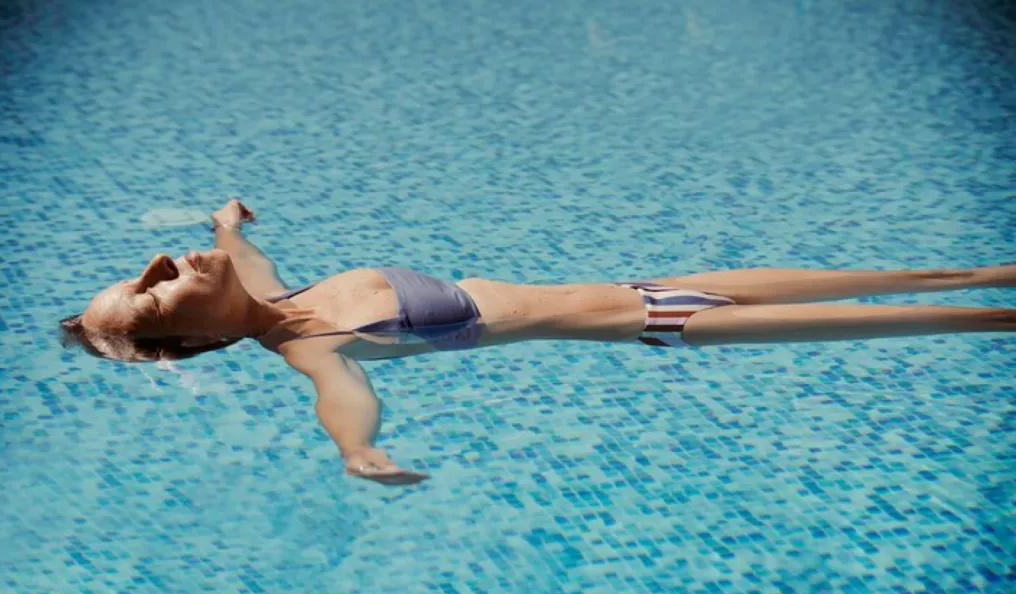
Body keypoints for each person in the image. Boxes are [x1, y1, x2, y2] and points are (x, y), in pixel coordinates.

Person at [60, 200, 1016, 485]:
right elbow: (342, 399)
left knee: (954, 280)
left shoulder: (275, 293)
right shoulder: (307, 347)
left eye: (142, 272)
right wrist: (358, 450)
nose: (155, 264)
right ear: (189, 338)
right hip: (665, 322)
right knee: (956, 319)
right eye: (150, 297)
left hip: (651, 281)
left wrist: (227, 224)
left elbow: (242, 251)